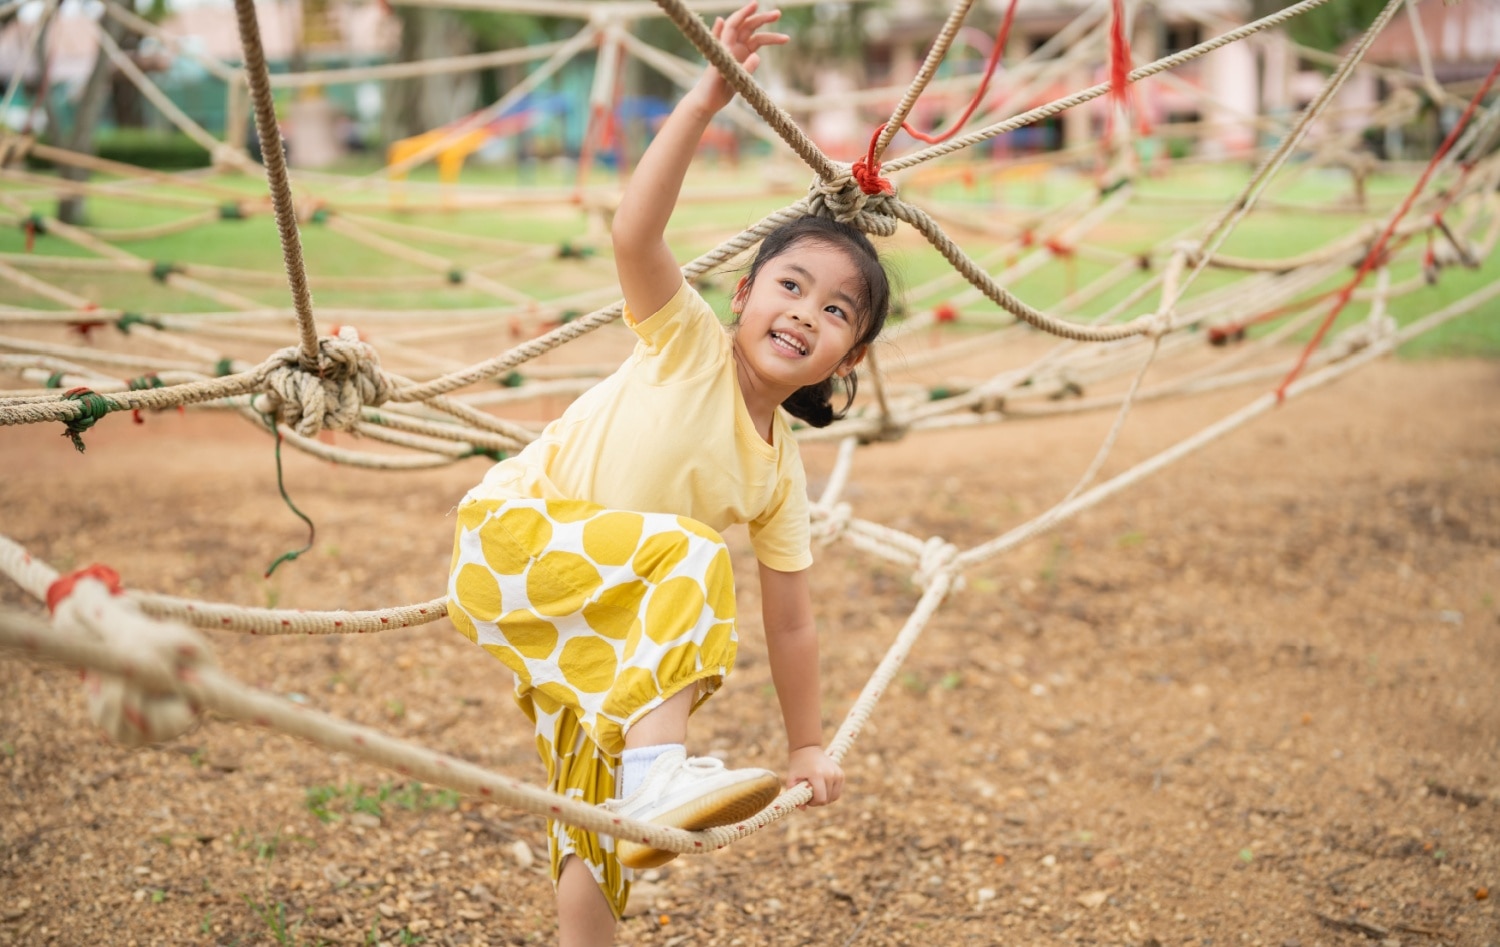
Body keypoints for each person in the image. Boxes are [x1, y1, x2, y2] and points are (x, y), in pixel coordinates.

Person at [446, 3, 892, 942]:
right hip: (512, 543)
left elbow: (794, 617)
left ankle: (621, 835)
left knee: (592, 816)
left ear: (845, 362)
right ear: (741, 296)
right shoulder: (686, 342)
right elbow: (634, 235)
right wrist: (705, 98)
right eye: (791, 286)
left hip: (602, 623)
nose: (807, 313)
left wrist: (805, 741)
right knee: (690, 555)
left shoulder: (781, 469)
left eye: (838, 313)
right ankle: (661, 772)